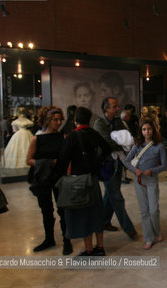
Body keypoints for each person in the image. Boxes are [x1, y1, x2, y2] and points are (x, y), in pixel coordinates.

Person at [57, 107, 111, 256]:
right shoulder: (94, 134)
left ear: (75, 120)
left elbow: (63, 159)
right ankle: (100, 247)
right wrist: (97, 163)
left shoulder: (73, 136)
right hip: (92, 178)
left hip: (78, 180)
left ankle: (88, 249)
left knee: (83, 214)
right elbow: (106, 149)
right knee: (96, 212)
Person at [26, 106, 72, 255]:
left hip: (59, 177)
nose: (58, 122)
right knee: (46, 210)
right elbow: (28, 160)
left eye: (60, 120)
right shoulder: (37, 139)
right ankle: (49, 238)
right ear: (47, 120)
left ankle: (67, 240)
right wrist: (46, 162)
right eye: (55, 120)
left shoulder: (63, 137)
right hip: (43, 178)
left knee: (63, 209)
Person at [93, 97, 137, 239]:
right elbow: (107, 143)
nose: (118, 108)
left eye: (118, 106)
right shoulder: (99, 123)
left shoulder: (118, 122)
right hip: (106, 165)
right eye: (115, 106)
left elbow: (128, 139)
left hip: (119, 163)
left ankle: (103, 222)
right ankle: (128, 228)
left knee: (110, 194)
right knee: (116, 196)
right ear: (106, 108)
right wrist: (122, 143)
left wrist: (122, 142)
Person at [123, 118, 167, 249]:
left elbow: (164, 165)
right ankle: (148, 238)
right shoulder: (137, 146)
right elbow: (126, 161)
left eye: (149, 129)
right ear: (141, 131)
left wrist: (152, 171)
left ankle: (157, 231)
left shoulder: (159, 146)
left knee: (153, 210)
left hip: (152, 180)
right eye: (144, 129)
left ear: (153, 130)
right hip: (139, 181)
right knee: (144, 211)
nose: (146, 132)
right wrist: (134, 170)